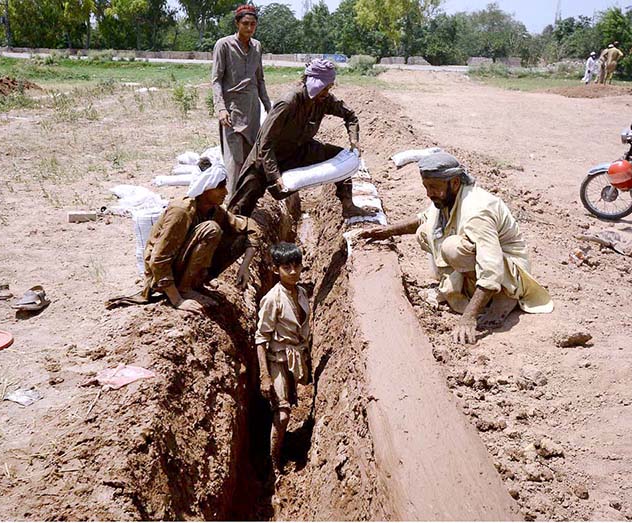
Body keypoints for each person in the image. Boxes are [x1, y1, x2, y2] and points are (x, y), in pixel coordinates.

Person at [360, 152, 553, 345]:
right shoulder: (450, 196)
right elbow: (423, 219)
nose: (429, 193)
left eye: (433, 187)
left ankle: (502, 296)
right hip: (483, 262)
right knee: (424, 232)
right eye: (426, 187)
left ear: (453, 182)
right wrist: (385, 232)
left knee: (452, 248)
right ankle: (471, 289)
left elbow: (491, 269)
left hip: (506, 273)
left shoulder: (477, 211)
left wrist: (468, 318)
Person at [106, 159, 260, 314]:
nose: (225, 192)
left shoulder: (214, 210)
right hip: (162, 274)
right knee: (212, 229)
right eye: (220, 187)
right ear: (205, 188)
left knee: (238, 238)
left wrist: (245, 266)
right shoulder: (181, 212)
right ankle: (185, 288)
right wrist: (177, 300)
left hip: (179, 267)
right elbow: (159, 259)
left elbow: (250, 227)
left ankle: (195, 283)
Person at [228, 59, 370, 218]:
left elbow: (350, 116)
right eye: (323, 88)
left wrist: (354, 140)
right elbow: (265, 143)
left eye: (329, 88)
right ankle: (233, 236)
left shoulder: (324, 100)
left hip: (298, 151)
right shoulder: (288, 102)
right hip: (266, 159)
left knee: (339, 156)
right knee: (240, 207)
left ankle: (348, 205)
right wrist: (275, 176)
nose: (326, 92)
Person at [256, 242, 312, 475]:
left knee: (292, 398)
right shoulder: (272, 299)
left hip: (296, 355)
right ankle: (273, 461)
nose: (293, 272)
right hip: (278, 359)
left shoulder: (301, 292)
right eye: (286, 267)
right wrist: (264, 375)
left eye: (296, 266)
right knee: (283, 412)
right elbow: (261, 338)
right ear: (275, 269)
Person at [212, 4, 272, 196]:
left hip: (252, 111)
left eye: (253, 24)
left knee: (250, 160)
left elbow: (260, 79)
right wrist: (221, 108)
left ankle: (246, 203)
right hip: (232, 112)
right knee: (234, 161)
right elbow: (216, 80)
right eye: (245, 24)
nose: (249, 28)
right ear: (237, 24)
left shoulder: (257, 47)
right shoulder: (223, 45)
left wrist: (269, 108)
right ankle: (229, 207)